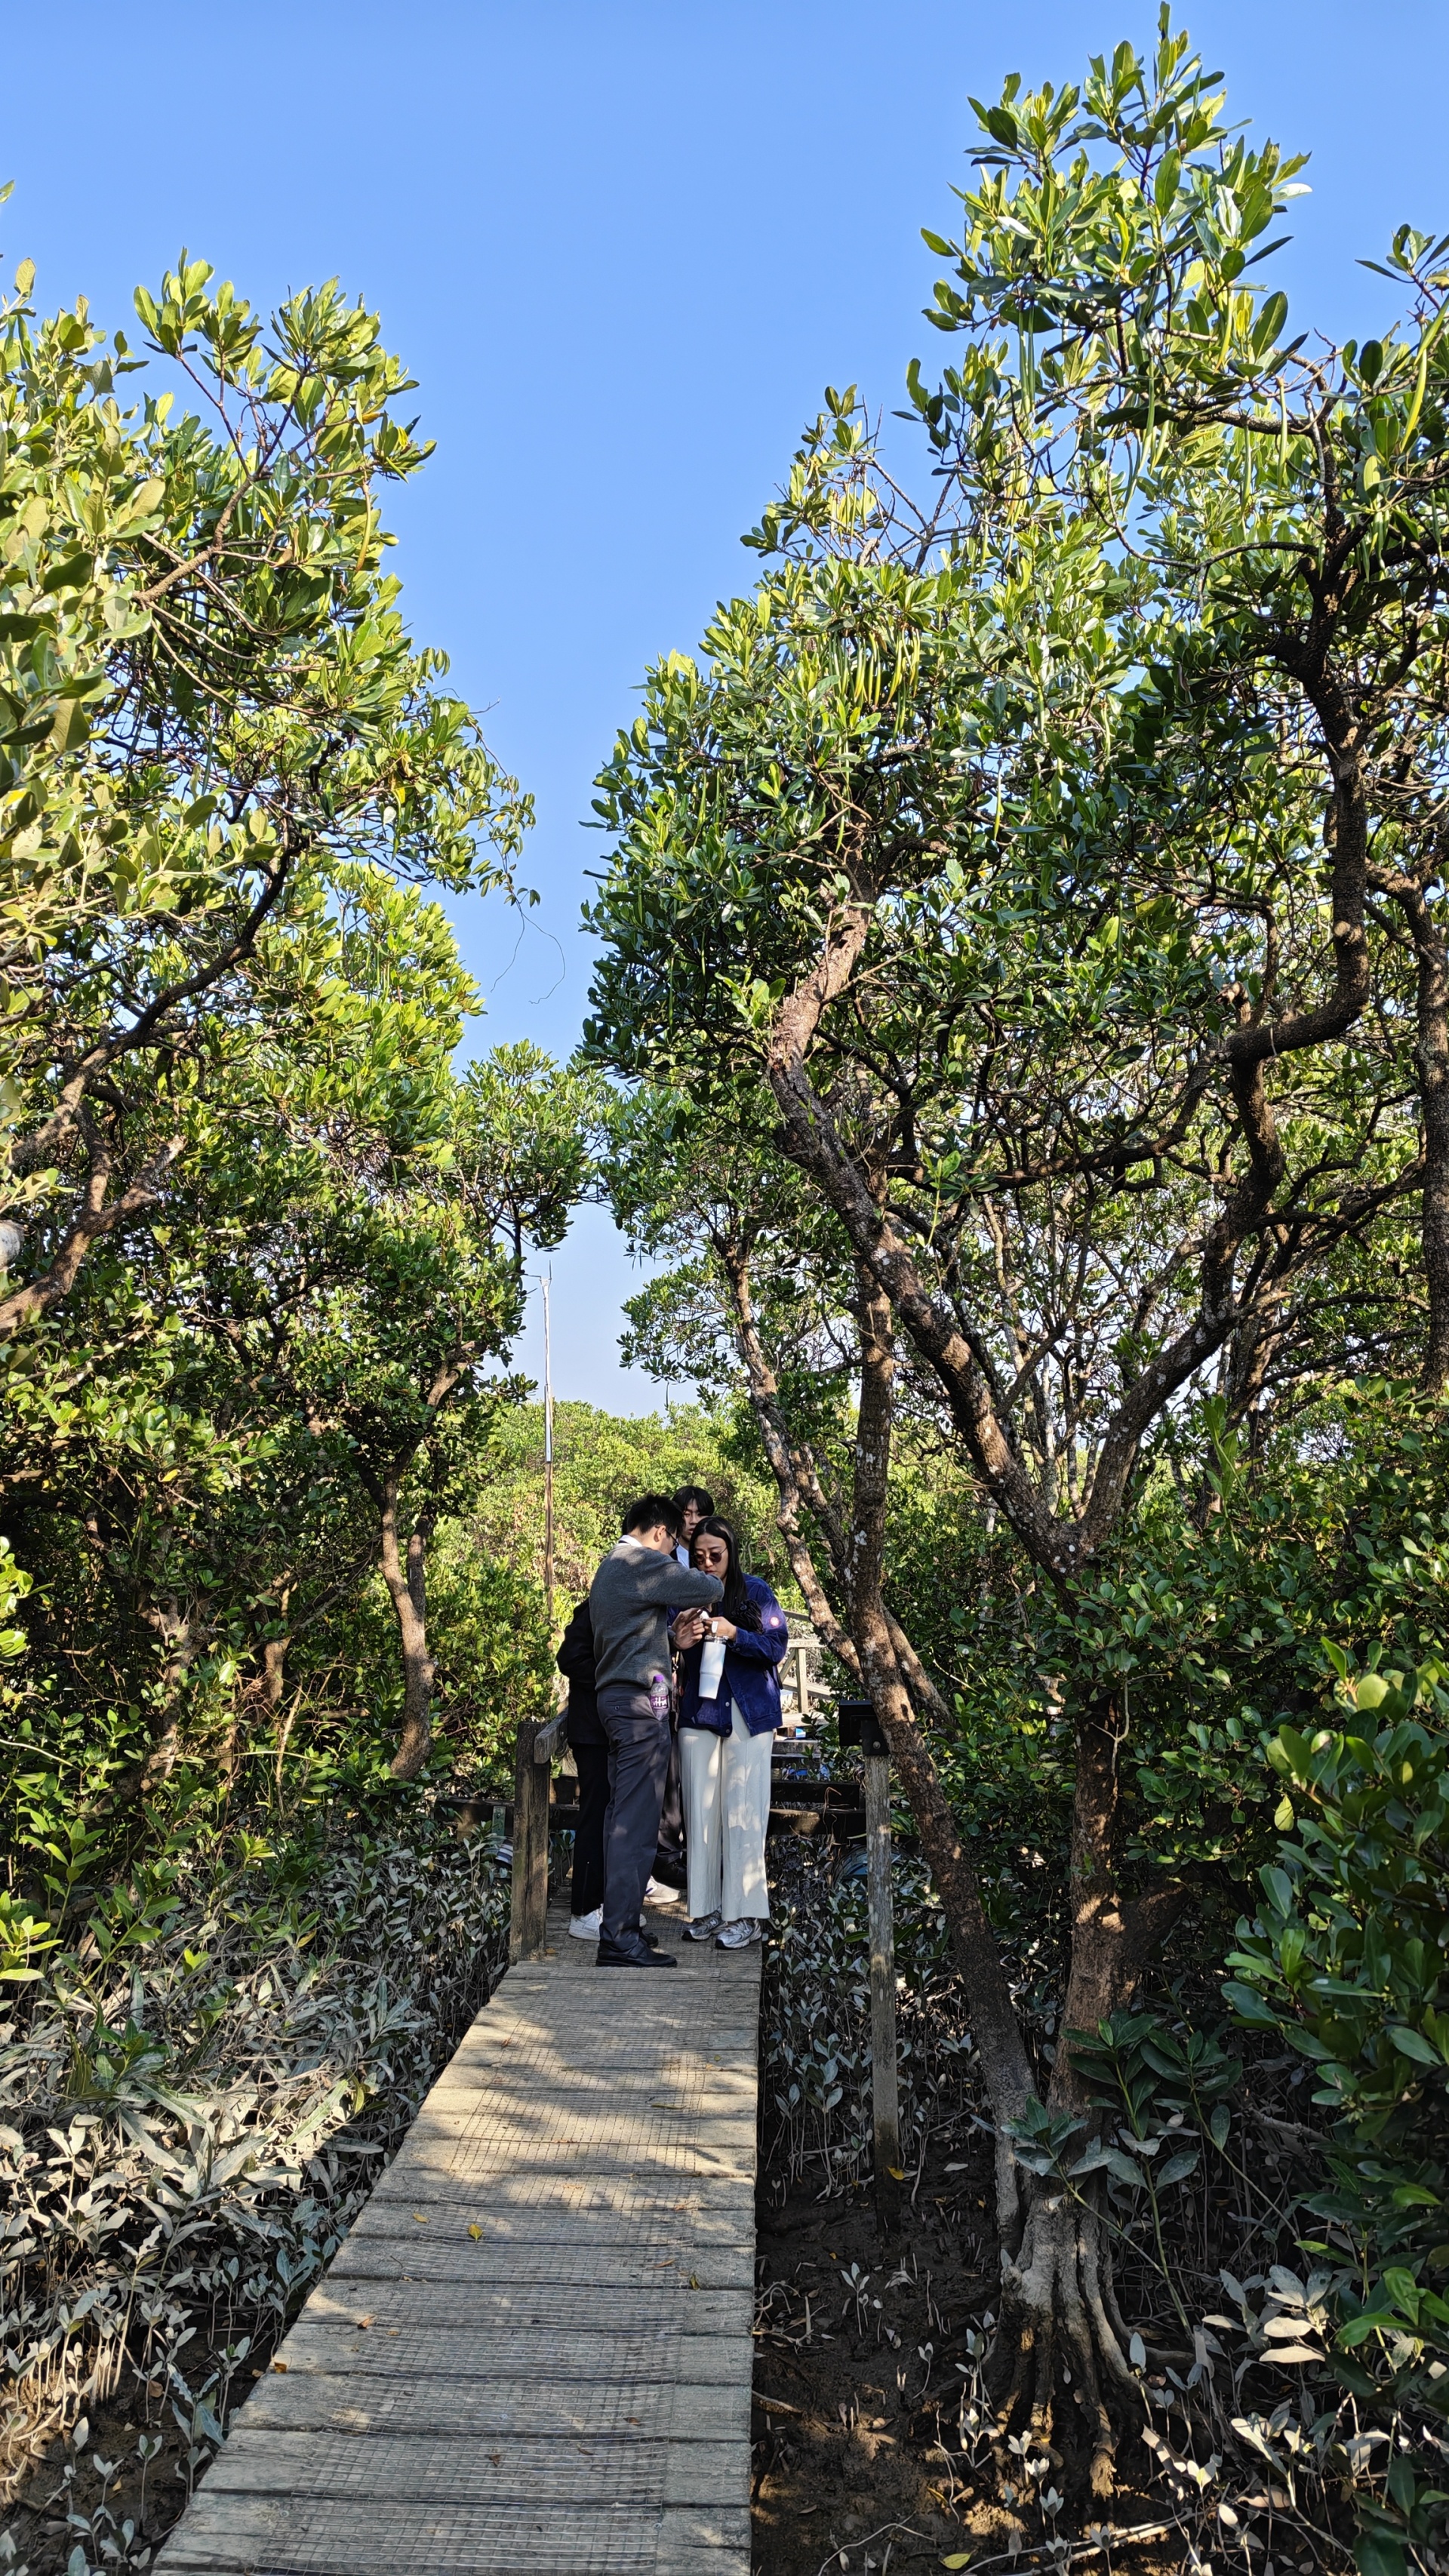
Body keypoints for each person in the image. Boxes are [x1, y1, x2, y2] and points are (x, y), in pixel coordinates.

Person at [588, 1494, 721, 1968]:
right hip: (637, 1707)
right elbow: (707, 1587)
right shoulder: (641, 1561)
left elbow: (626, 1639)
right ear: (661, 1532)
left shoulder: (609, 1567)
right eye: (673, 1547)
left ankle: (620, 1924)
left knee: (621, 1819)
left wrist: (671, 1640)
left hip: (619, 1700)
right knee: (636, 1824)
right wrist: (706, 1566)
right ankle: (620, 1939)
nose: (673, 1556)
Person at [672, 1516, 788, 1950]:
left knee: (744, 1813)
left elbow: (776, 1646)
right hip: (699, 1713)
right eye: (699, 1556)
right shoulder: (683, 1594)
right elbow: (667, 1644)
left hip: (748, 1713)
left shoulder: (756, 1591)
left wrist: (734, 1633)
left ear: (730, 1552)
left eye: (715, 1555)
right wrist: (677, 1639)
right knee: (700, 1816)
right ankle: (707, 1908)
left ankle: (746, 1915)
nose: (707, 1563)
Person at [555, 1596, 607, 1940]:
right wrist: (611, 1677)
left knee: (613, 1819)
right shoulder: (595, 1607)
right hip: (592, 1731)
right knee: (594, 1816)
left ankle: (607, 1905)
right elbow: (569, 1657)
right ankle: (584, 1910)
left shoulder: (631, 1605)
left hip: (613, 1731)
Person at [672, 1485, 715, 1568]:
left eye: (700, 1514)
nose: (693, 1521)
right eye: (686, 1514)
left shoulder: (720, 1555)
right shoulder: (665, 1556)